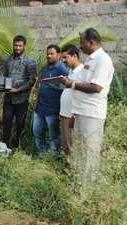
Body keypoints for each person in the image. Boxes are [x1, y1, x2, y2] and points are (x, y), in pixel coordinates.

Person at [61, 28, 114, 185]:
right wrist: (74, 113)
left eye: (82, 43)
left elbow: (96, 87)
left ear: (91, 42)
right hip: (81, 112)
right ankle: (79, 185)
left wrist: (72, 84)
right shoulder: (91, 60)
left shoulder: (103, 60)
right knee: (80, 151)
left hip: (92, 114)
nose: (81, 46)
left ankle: (87, 190)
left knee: (90, 153)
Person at [2, 35, 37, 149]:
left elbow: (31, 81)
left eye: (19, 46)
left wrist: (18, 89)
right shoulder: (8, 60)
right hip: (8, 99)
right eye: (15, 45)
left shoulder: (29, 61)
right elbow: (5, 77)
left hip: (21, 100)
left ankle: (17, 148)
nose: (17, 48)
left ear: (24, 46)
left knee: (19, 125)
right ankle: (4, 146)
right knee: (6, 123)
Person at [32, 44, 69, 153]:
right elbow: (40, 85)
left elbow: (67, 88)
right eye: (47, 54)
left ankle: (52, 156)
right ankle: (41, 154)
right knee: (36, 132)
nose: (49, 56)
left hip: (53, 109)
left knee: (53, 136)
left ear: (58, 55)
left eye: (52, 54)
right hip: (40, 108)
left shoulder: (62, 69)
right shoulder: (45, 68)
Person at [60, 44, 84, 158]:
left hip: (72, 115)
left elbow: (82, 96)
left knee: (71, 144)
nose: (63, 61)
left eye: (65, 57)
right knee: (66, 144)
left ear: (74, 56)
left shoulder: (82, 72)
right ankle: (68, 168)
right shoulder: (71, 71)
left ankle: (71, 171)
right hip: (65, 113)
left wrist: (74, 115)